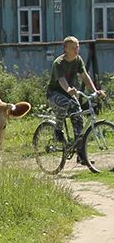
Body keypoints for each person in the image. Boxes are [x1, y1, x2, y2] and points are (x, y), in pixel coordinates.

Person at [47, 36, 105, 171]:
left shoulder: (78, 60)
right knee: (65, 104)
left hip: (70, 93)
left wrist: (96, 91)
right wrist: (68, 89)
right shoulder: (59, 63)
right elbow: (61, 80)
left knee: (78, 117)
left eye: (78, 46)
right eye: (73, 47)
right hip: (55, 93)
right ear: (65, 49)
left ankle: (81, 155)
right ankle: (57, 130)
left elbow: (85, 76)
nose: (76, 49)